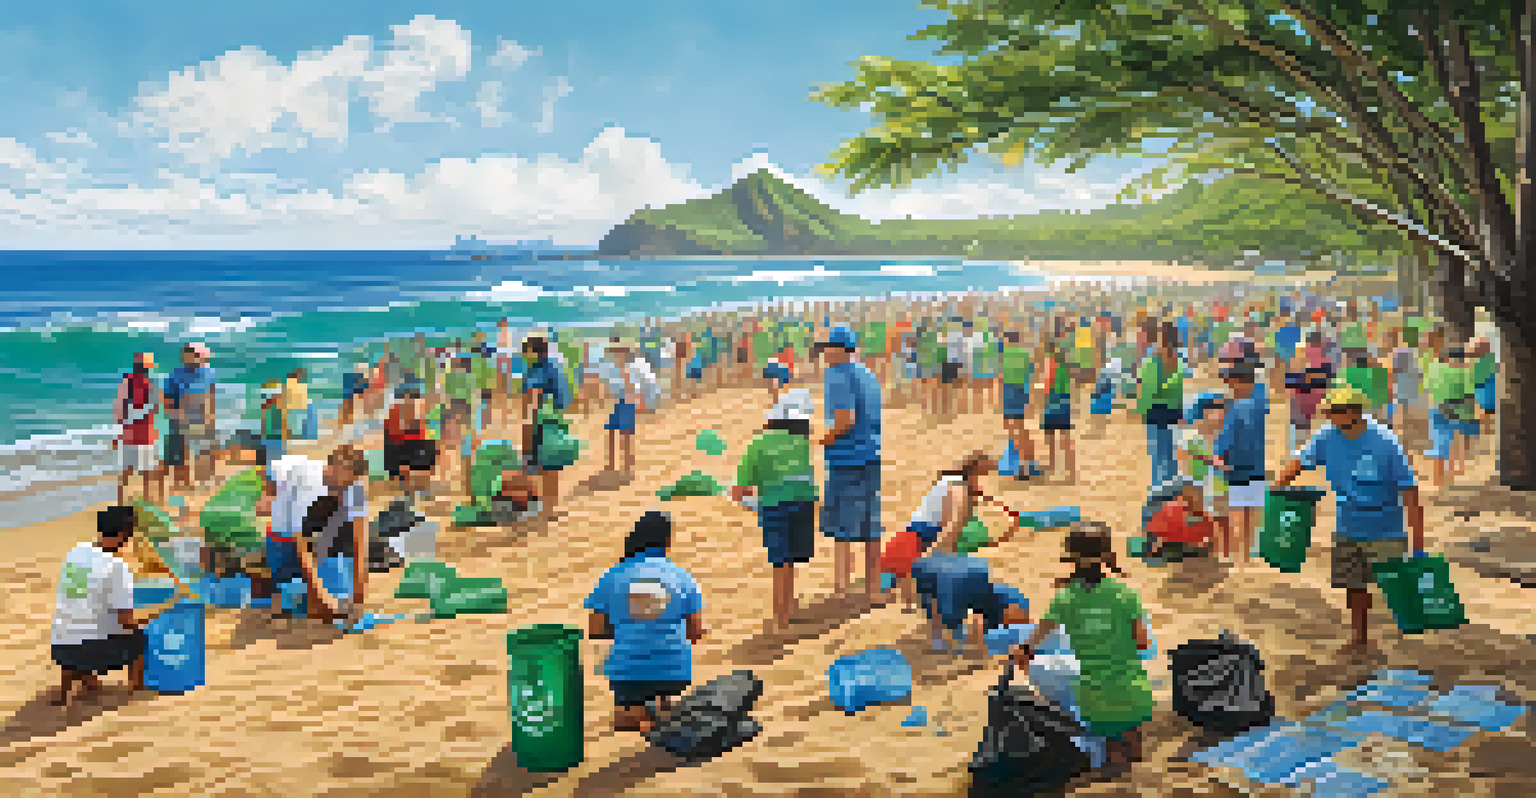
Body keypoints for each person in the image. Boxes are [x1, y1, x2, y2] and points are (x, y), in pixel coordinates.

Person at [1274, 386, 1426, 657]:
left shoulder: (1386, 442)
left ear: (1354, 412)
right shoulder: (1326, 437)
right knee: (1353, 585)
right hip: (1348, 524)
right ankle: (1360, 637)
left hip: (1386, 526)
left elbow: (1410, 492)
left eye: (1337, 412)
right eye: (1330, 413)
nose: (1332, 417)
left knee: (1397, 585)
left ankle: (1412, 635)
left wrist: (1418, 543)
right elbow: (1299, 462)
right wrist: (1276, 490)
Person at [1015, 521, 1155, 772]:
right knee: (1133, 735)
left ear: (1070, 557)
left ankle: (1116, 765)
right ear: (1106, 556)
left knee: (1110, 744)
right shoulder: (1125, 594)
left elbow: (1035, 640)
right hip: (1132, 689)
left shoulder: (1063, 598)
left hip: (1094, 695)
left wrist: (1024, 652)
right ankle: (1134, 753)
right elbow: (1143, 643)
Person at [585, 510, 706, 733]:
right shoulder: (682, 575)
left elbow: (594, 629)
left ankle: (639, 715)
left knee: (623, 714)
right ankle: (660, 704)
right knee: (665, 654)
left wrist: (629, 626)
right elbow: (697, 631)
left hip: (629, 672)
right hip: (675, 673)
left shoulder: (613, 574)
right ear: (666, 542)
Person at [49, 506, 160, 707]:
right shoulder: (117, 567)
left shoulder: (77, 552)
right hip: (87, 649)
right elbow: (126, 622)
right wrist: (151, 619)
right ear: (124, 536)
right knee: (141, 637)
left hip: (60, 647)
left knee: (77, 626)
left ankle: (81, 681)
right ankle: (136, 692)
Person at [731, 388, 818, 631]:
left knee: (780, 562)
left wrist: (745, 499)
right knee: (791, 559)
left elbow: (742, 490)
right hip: (804, 503)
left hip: (774, 505)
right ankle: (788, 607)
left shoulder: (757, 444)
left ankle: (781, 618)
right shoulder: (802, 442)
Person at [885, 451, 1012, 611]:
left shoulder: (950, 481)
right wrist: (938, 546)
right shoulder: (958, 485)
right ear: (975, 471)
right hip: (930, 531)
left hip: (917, 529)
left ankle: (911, 603)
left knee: (915, 569)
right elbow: (956, 520)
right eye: (982, 475)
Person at [814, 325, 885, 603]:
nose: (823, 353)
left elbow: (845, 420)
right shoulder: (868, 375)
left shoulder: (837, 375)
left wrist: (821, 440)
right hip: (871, 454)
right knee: (870, 525)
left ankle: (841, 589)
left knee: (842, 528)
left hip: (847, 457)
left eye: (827, 347)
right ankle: (873, 588)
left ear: (838, 350)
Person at [292, 446, 371, 623]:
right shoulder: (306, 487)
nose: (348, 486)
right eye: (344, 480)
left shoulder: (354, 488)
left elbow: (360, 541)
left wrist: (359, 593)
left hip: (325, 536)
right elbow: (299, 545)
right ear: (329, 468)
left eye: (351, 482)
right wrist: (320, 593)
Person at [1210, 347, 1268, 567]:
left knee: (1237, 512)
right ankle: (1250, 553)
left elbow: (1225, 440)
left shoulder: (1234, 408)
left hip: (1236, 466)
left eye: (1230, 381)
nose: (1228, 385)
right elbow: (1260, 381)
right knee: (1251, 511)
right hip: (1257, 465)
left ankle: (1240, 557)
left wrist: (1217, 456)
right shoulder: (1260, 400)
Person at [520, 335, 571, 519]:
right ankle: (551, 507)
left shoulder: (537, 370)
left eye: (526, 351)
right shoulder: (554, 367)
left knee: (542, 467)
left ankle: (546, 509)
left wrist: (527, 426)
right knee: (552, 467)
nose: (524, 355)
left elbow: (534, 399)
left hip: (542, 422)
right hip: (557, 420)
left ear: (534, 352)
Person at [1178, 392, 1232, 560]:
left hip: (1195, 481)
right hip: (1197, 482)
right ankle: (1211, 545)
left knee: (1202, 514)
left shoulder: (1191, 435)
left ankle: (1207, 544)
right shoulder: (1194, 437)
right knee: (1208, 515)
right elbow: (1209, 458)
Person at [164, 343, 217, 493]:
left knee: (203, 447)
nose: (194, 357)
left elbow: (210, 393)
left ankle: (196, 478)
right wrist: (173, 414)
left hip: (201, 413)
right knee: (183, 450)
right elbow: (167, 396)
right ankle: (187, 481)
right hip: (181, 414)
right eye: (189, 353)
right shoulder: (176, 374)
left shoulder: (209, 372)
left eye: (196, 354)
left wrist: (211, 414)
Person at [1136, 322, 1183, 490]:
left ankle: (1159, 501)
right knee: (1171, 462)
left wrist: (1139, 412)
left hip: (1155, 415)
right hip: (1175, 415)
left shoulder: (1153, 362)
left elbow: (1147, 392)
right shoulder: (1178, 361)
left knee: (1158, 462)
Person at [114, 352, 165, 506]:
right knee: (145, 473)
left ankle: (122, 503)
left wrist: (118, 433)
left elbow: (119, 409)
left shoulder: (128, 381)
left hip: (134, 433)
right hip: (145, 434)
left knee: (128, 472)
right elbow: (156, 408)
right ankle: (146, 502)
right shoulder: (151, 383)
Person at [598, 339, 645, 476]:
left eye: (620, 352)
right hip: (615, 403)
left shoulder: (630, 368)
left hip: (627, 403)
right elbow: (605, 386)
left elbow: (635, 387)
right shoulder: (611, 368)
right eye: (615, 352)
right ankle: (612, 465)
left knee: (626, 436)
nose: (617, 355)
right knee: (612, 433)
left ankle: (627, 467)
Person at [384, 380, 436, 499]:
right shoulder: (392, 420)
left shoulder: (425, 421)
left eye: (415, 397)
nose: (411, 401)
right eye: (409, 397)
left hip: (413, 450)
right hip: (398, 451)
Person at [1039, 334, 1077, 481]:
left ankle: (1052, 466)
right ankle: (1071, 472)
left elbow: (1047, 385)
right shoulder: (1066, 365)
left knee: (1050, 438)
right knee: (1066, 439)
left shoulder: (1050, 362)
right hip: (1065, 402)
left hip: (1052, 402)